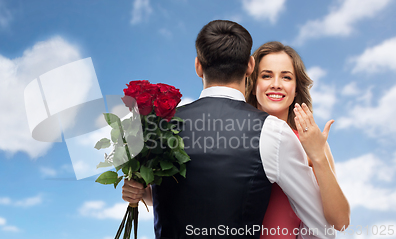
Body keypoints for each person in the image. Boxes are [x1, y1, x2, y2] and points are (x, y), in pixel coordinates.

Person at [122, 20, 335, 239]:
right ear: (251, 66)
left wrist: (140, 192)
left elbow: (173, 197)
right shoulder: (274, 131)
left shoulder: (161, 126)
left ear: (198, 66)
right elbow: (322, 227)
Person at [245, 41, 350, 238]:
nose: (276, 84)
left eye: (286, 77)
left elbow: (340, 222)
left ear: (296, 88)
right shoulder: (236, 137)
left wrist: (318, 155)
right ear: (252, 85)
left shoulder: (312, 143)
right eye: (266, 75)